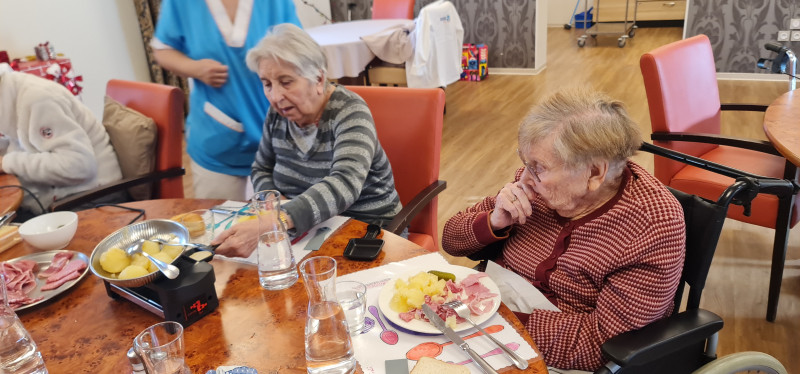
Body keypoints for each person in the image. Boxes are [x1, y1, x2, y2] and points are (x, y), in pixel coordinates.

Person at [440, 89, 686, 371]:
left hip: (554, 352)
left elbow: (601, 346)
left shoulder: (651, 225)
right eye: (525, 164)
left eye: (538, 168)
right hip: (487, 314)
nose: (526, 178)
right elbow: (451, 241)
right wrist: (494, 222)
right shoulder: (535, 186)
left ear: (594, 174)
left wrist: (498, 322)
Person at [212, 24, 402, 258]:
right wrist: (273, 202)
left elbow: (345, 183)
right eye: (267, 84)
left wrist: (278, 219)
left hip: (366, 231)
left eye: (286, 81)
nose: (275, 96)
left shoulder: (350, 112)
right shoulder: (277, 114)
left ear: (319, 79)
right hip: (306, 231)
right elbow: (262, 167)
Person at [151, 0, 301, 200]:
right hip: (216, 136)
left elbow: (299, 49)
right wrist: (195, 69)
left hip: (280, 135)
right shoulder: (181, 3)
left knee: (285, 223)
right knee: (221, 223)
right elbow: (162, 49)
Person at [0, 65, 122, 219]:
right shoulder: (10, 93)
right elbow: (26, 144)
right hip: (64, 195)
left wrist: (7, 163)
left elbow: (78, 166)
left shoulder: (38, 99)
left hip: (93, 197)